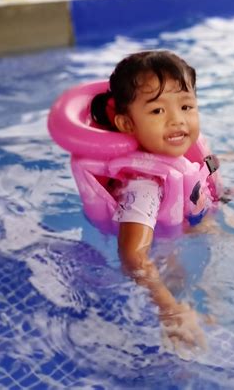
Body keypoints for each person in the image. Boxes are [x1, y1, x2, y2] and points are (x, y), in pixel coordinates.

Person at [91, 50, 215, 357]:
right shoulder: (145, 186)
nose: (177, 120)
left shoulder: (187, 161)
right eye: (158, 111)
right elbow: (133, 255)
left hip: (192, 233)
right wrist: (170, 310)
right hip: (165, 267)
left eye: (186, 106)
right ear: (127, 124)